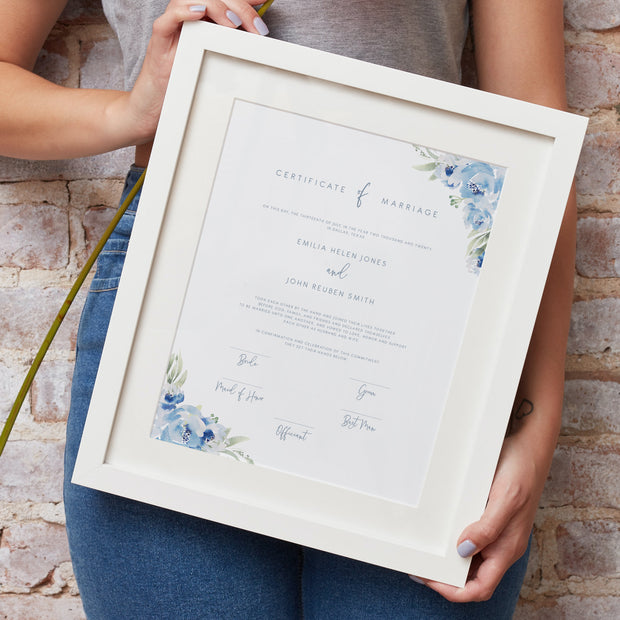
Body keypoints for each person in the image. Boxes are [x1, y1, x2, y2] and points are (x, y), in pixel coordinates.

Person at [0, 1, 575, 617]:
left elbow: (537, 125)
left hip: (420, 289)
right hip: (180, 271)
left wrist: (533, 428)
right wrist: (130, 112)